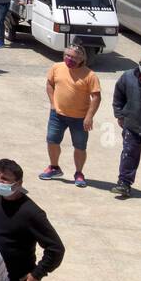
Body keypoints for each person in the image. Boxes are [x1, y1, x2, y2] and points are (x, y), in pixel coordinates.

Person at [0, 159, 65, 281]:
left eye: (5, 179)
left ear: (19, 183)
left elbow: (56, 248)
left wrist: (37, 274)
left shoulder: (31, 213)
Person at [40, 43, 101, 187]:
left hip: (79, 118)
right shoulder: (57, 67)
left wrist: (89, 116)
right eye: (67, 55)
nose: (69, 59)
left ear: (81, 59)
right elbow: (49, 84)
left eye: (73, 57)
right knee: (52, 141)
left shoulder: (90, 75)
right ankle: (54, 167)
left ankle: (79, 173)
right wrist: (53, 103)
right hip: (57, 115)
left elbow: (96, 97)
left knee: (80, 146)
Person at [112, 48, 141, 199]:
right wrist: (120, 115)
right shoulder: (128, 77)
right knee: (129, 155)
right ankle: (124, 184)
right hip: (132, 125)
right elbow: (118, 96)